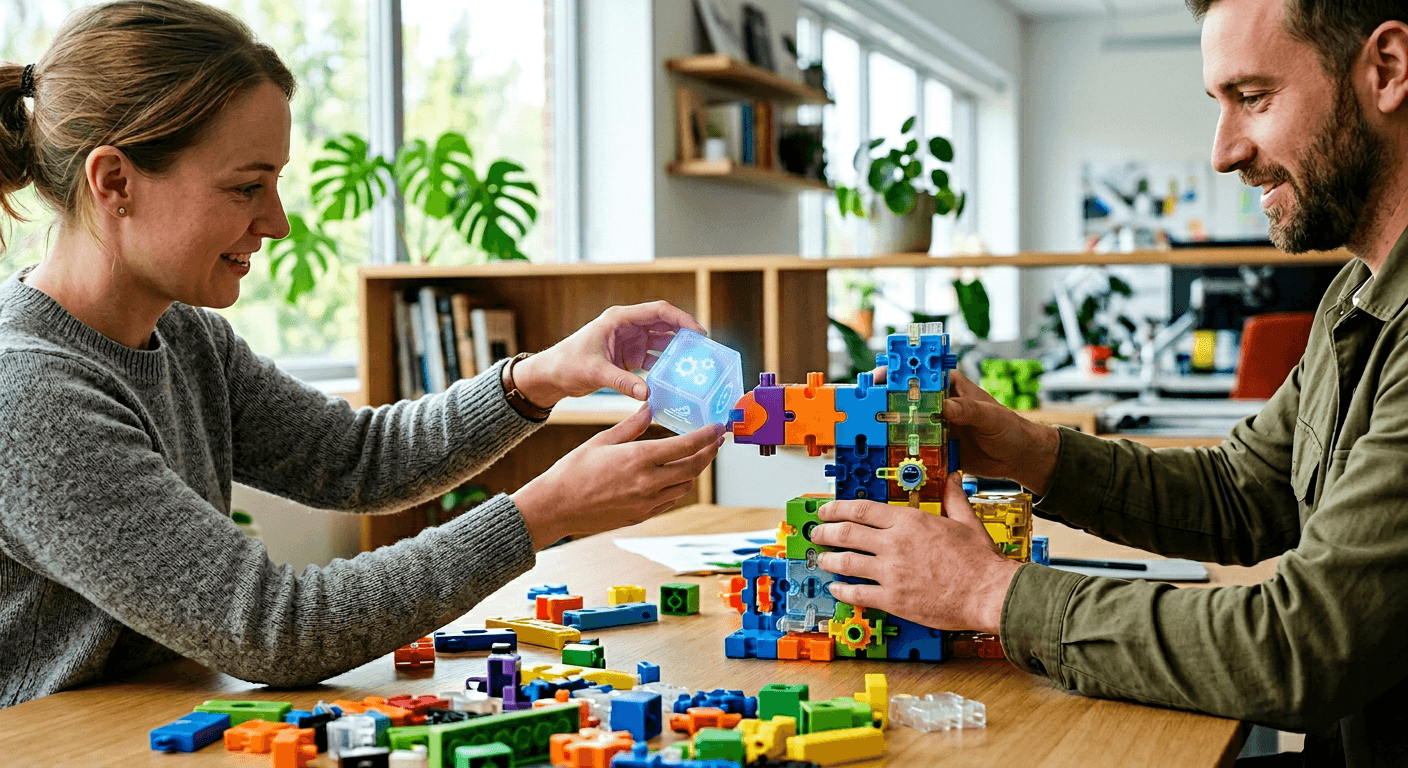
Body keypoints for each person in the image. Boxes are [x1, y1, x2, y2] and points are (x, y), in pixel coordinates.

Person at [0, 0, 721, 709]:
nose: (276, 223)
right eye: (246, 187)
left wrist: (538, 377)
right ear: (114, 181)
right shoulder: (31, 393)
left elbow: (356, 459)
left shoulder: (187, 337)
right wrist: (544, 512)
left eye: (275, 184)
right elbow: (276, 629)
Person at [812, 0, 1408, 764]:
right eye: (1219, 105)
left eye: (1253, 98)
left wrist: (988, 594)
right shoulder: (1354, 294)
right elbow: (1244, 492)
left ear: (1386, 69)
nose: (1224, 152)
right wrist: (1029, 452)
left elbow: (1302, 647)